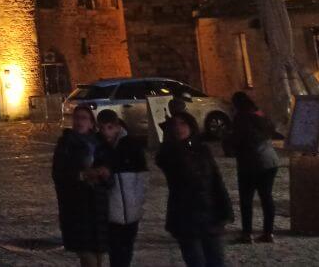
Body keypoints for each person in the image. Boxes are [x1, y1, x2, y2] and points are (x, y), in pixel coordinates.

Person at [156, 111, 232, 267]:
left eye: (183, 123)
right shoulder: (169, 153)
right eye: (174, 125)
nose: (179, 128)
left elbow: (216, 181)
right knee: (196, 261)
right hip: (186, 217)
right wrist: (169, 139)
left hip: (210, 214)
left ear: (191, 125)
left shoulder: (203, 150)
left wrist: (225, 208)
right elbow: (166, 162)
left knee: (216, 261)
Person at [52, 105, 109, 267]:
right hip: (76, 205)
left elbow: (110, 168)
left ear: (92, 123)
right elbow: (59, 174)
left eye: (84, 118)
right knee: (85, 251)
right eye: (76, 118)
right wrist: (82, 175)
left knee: (98, 252)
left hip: (98, 204)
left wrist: (105, 173)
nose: (79, 121)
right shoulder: (66, 144)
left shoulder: (99, 143)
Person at [97, 109, 148, 267]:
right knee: (115, 252)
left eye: (110, 127)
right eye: (102, 128)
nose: (106, 132)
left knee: (126, 251)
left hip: (130, 209)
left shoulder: (131, 145)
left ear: (118, 126)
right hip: (111, 211)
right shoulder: (99, 147)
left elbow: (142, 177)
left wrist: (137, 203)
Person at [227, 92, 280, 244]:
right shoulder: (260, 115)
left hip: (250, 163)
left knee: (246, 200)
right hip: (270, 160)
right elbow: (272, 131)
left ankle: (247, 233)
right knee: (266, 197)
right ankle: (268, 232)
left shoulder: (241, 118)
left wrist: (228, 140)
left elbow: (237, 141)